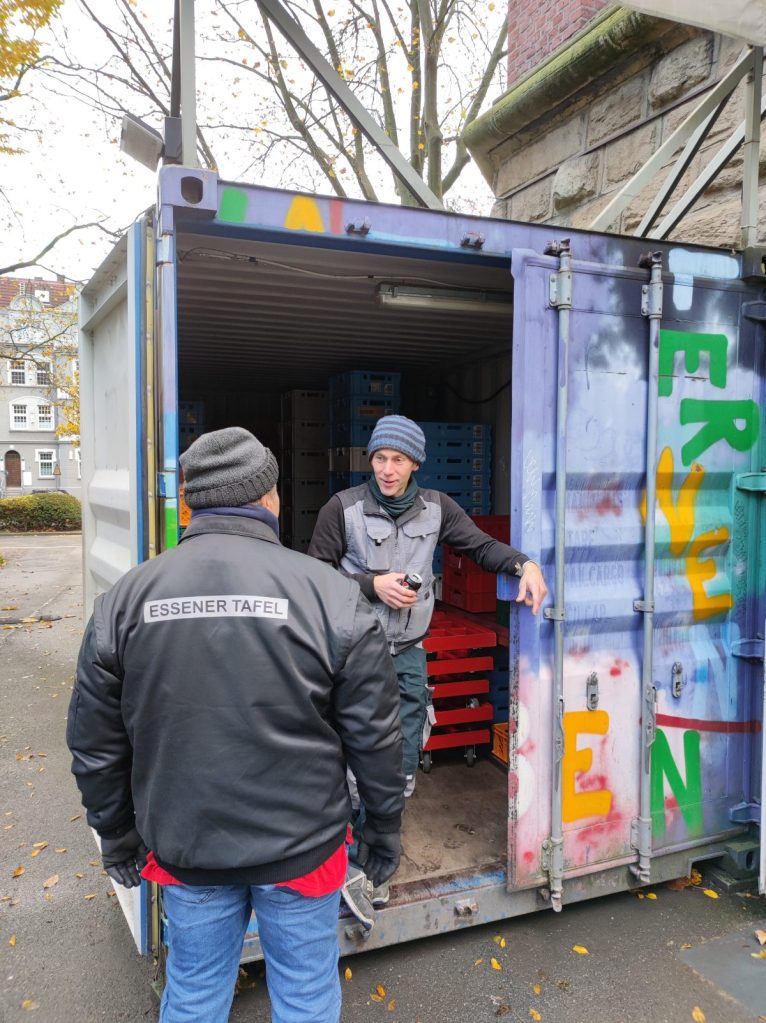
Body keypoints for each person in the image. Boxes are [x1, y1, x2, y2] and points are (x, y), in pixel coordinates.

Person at [67, 427, 404, 1023]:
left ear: (190, 506)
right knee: (304, 994)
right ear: (271, 498)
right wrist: (381, 828)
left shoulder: (124, 600)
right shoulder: (331, 596)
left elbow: (96, 742)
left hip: (186, 846)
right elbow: (375, 737)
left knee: (194, 995)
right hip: (304, 850)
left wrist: (116, 832)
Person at [309, 414, 548, 804]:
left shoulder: (437, 509)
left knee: (407, 738)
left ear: (416, 463)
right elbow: (314, 578)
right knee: (356, 739)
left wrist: (525, 565)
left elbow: (481, 547)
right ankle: (354, 826)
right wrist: (372, 586)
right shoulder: (342, 509)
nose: (387, 470)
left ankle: (390, 824)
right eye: (380, 458)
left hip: (409, 652)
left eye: (398, 460)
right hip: (354, 650)